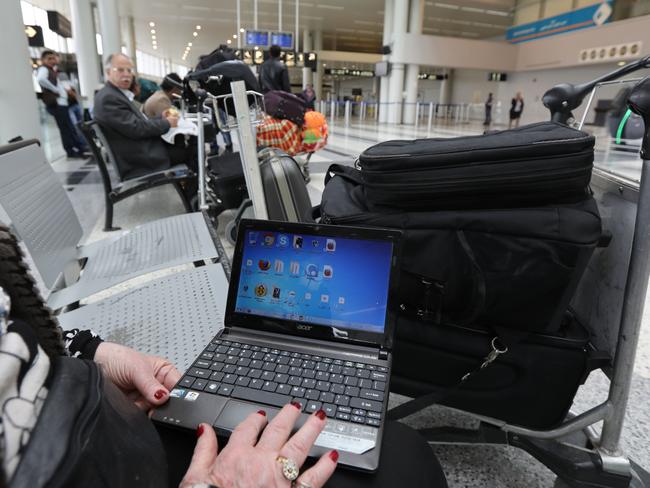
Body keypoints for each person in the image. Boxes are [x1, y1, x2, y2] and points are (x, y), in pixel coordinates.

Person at [0, 222, 448, 488]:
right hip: (82, 463)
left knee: (398, 453)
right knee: (408, 461)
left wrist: (94, 352)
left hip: (88, 414)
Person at [93, 53, 196, 180]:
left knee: (183, 144)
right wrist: (167, 123)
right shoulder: (109, 98)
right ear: (108, 72)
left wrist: (161, 118)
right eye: (120, 70)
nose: (126, 74)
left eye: (129, 70)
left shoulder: (113, 94)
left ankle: (189, 191)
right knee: (191, 150)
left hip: (138, 151)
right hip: (139, 160)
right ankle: (191, 193)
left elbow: (136, 123)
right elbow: (136, 128)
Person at [36, 50, 89, 158]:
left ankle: (78, 148)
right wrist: (55, 89)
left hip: (62, 104)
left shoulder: (53, 70)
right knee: (65, 129)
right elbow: (41, 79)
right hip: (57, 104)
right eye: (49, 58)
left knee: (68, 127)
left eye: (53, 58)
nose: (52, 60)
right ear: (43, 60)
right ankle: (72, 150)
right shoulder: (44, 69)